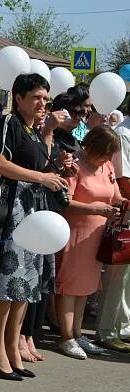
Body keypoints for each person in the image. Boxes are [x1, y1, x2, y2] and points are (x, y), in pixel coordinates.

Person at [0, 73, 68, 380]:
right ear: (20, 98)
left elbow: (37, 166)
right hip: (13, 211)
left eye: (45, 98)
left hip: (33, 213)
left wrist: (55, 170)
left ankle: (13, 348)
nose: (43, 103)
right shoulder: (9, 123)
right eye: (36, 97)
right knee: (7, 282)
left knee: (24, 285)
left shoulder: (34, 130)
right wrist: (41, 178)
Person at [55, 126, 122, 359]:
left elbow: (115, 196)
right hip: (76, 233)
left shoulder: (107, 166)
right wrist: (96, 208)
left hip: (98, 235)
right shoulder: (75, 165)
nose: (105, 158)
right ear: (91, 146)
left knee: (86, 287)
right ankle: (66, 337)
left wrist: (123, 204)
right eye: (103, 153)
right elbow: (65, 202)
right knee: (69, 286)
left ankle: (78, 332)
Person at [97, 113, 130, 352]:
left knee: (126, 278)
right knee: (117, 276)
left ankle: (123, 327)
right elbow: (123, 179)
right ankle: (107, 330)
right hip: (124, 215)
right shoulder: (124, 134)